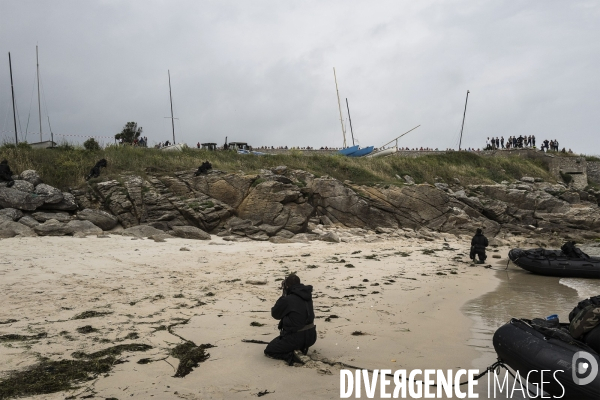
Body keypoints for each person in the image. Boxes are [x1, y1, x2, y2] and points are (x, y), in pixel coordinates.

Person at [264, 273, 317, 366]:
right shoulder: (307, 296)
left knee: (270, 350)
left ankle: (292, 356)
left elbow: (275, 314)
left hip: (296, 337)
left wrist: (283, 296)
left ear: (287, 286)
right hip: (311, 336)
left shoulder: (287, 299)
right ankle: (300, 349)